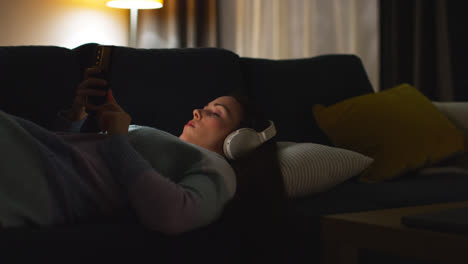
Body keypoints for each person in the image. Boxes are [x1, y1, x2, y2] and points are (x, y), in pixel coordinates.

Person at [0, 66, 271, 234]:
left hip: (44, 175)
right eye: (206, 106)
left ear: (239, 140)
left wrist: (118, 139)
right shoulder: (167, 144)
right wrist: (77, 115)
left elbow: (173, 215)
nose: (198, 111)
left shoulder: (219, 170)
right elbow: (86, 157)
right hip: (37, 150)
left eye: (216, 113)